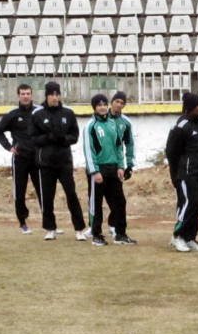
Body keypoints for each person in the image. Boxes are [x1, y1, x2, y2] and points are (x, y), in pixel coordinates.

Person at [29, 81, 88, 242]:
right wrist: (48, 137)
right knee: (47, 197)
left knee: (71, 194)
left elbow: (74, 136)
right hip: (45, 163)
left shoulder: (68, 113)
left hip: (64, 162)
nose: (55, 97)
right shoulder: (38, 114)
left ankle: (79, 229)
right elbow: (33, 138)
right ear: (46, 96)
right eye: (52, 94)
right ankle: (50, 228)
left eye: (57, 94)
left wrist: (63, 138)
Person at [166, 92, 198, 252]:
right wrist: (175, 175)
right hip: (186, 173)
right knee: (189, 203)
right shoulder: (181, 127)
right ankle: (178, 236)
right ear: (189, 109)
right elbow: (171, 152)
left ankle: (190, 237)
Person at [83, 94, 134, 246]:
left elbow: (119, 147)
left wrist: (121, 166)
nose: (103, 107)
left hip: (113, 169)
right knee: (96, 204)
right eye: (99, 105)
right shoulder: (90, 126)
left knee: (120, 202)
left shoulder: (113, 123)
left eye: (104, 104)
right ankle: (97, 235)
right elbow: (88, 150)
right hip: (99, 170)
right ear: (94, 107)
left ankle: (120, 234)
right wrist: (94, 171)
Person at [0, 83, 42, 234]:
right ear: (18, 95)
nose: (26, 96)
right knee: (20, 192)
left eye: (28, 93)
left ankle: (49, 222)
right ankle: (23, 222)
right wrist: (9, 147)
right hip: (20, 159)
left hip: (37, 158)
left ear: (32, 95)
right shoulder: (12, 114)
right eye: (23, 94)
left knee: (43, 190)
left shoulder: (39, 112)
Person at [107, 91, 136, 238]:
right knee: (96, 198)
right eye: (117, 101)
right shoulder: (100, 119)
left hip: (117, 166)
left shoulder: (125, 123)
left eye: (122, 103)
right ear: (111, 102)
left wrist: (129, 164)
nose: (119, 105)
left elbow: (129, 144)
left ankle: (114, 225)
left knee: (118, 199)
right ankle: (93, 229)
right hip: (100, 165)